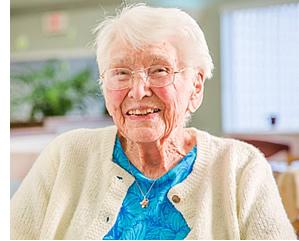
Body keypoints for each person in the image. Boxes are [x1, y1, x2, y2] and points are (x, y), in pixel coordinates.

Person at [11, 4, 296, 240]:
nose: (137, 91)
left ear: (196, 87)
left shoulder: (241, 168)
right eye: (121, 73)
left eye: (159, 70)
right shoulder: (65, 156)